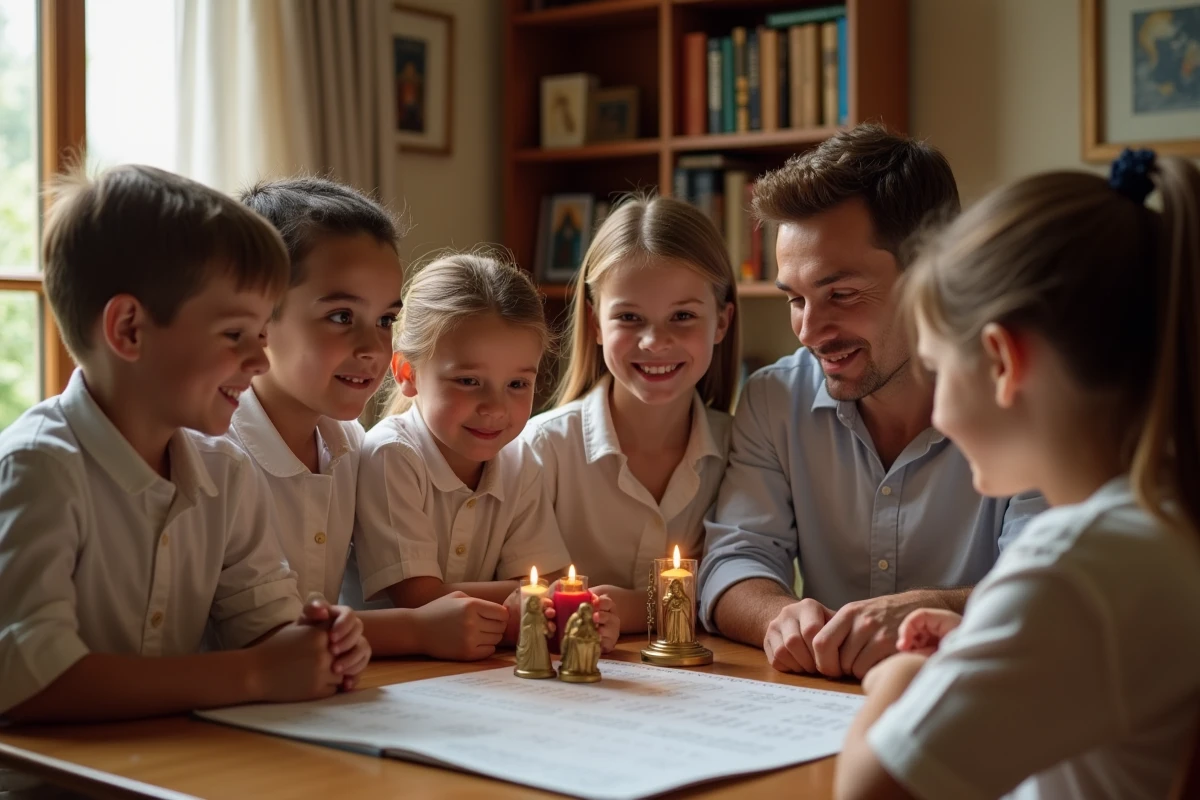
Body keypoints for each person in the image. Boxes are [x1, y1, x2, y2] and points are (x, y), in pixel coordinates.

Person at [835, 150, 1200, 799]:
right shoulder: (1163, 524)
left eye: (938, 369)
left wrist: (902, 679)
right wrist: (986, 643)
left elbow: (868, 790)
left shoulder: (1078, 564)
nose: (938, 411)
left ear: (1002, 361)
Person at [0, 165, 367, 723]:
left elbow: (263, 627)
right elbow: (29, 682)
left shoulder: (225, 472)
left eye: (263, 335)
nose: (259, 360)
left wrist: (318, 642)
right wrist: (256, 674)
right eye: (234, 335)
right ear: (128, 329)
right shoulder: (39, 468)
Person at [698, 124, 1045, 679]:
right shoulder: (773, 397)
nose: (810, 331)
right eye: (795, 299)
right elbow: (734, 560)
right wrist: (780, 618)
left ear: (934, 273)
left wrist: (936, 608)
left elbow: (1051, 586)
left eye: (841, 294)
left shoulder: (1026, 402)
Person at [353, 252, 618, 657]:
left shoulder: (519, 460)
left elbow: (544, 582)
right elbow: (420, 597)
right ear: (407, 372)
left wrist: (576, 614)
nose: (494, 408)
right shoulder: (391, 456)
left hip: (473, 669)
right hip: (385, 673)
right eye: (468, 380)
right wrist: (530, 601)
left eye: (516, 384)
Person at [524, 195, 738, 634]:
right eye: (629, 317)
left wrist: (640, 608)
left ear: (721, 322)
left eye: (683, 316)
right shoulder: (543, 449)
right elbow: (525, 594)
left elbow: (739, 583)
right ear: (596, 324)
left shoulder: (742, 449)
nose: (654, 341)